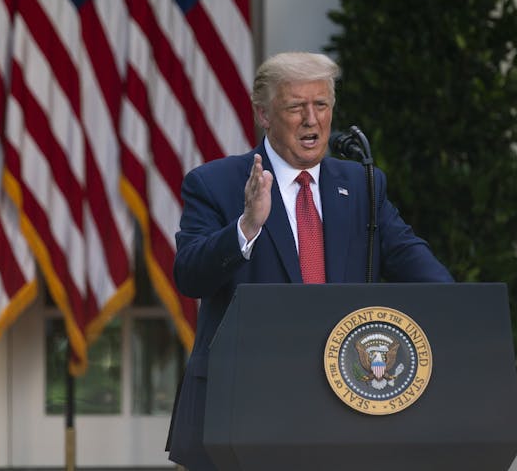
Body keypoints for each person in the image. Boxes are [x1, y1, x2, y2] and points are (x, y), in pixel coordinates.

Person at [166, 52, 453, 470]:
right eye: (296, 106)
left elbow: (412, 259)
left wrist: (461, 309)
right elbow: (189, 276)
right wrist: (246, 226)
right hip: (241, 413)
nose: (311, 119)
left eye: (321, 105)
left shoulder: (362, 185)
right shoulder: (216, 183)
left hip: (342, 411)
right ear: (264, 114)